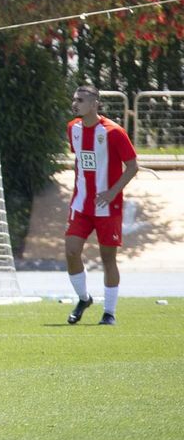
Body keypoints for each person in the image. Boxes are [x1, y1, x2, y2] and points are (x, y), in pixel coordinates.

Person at [65, 84, 137, 326]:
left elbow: (132, 166)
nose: (75, 104)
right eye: (75, 99)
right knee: (72, 251)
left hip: (108, 207)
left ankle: (109, 312)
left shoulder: (113, 132)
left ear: (95, 104)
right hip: (81, 204)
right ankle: (84, 299)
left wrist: (112, 192)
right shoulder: (72, 128)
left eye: (81, 100)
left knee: (108, 259)